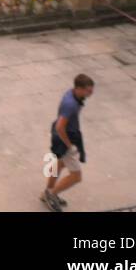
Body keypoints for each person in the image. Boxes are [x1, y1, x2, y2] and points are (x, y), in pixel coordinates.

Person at [42, 73, 94, 212]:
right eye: (88, 90)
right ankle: (51, 195)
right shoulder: (70, 104)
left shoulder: (73, 95)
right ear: (79, 88)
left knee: (59, 164)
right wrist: (69, 145)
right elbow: (60, 127)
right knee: (76, 176)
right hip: (65, 137)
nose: (91, 93)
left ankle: (47, 192)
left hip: (63, 134)